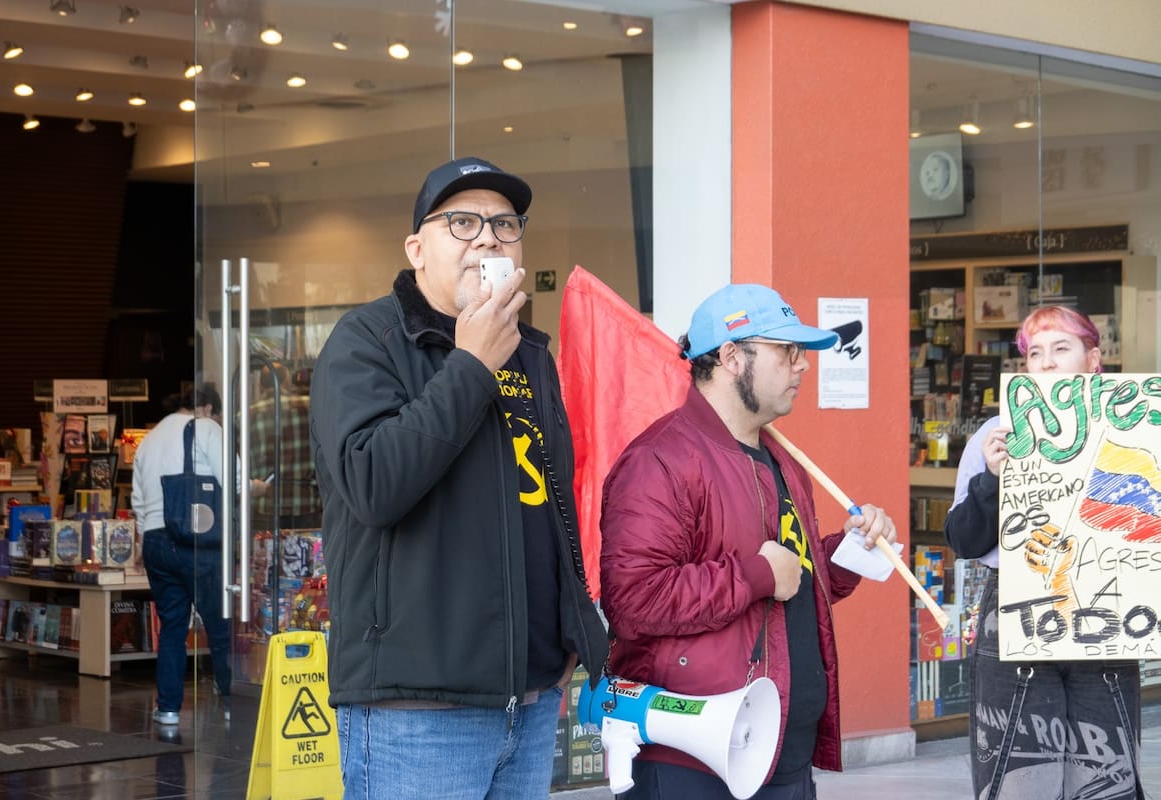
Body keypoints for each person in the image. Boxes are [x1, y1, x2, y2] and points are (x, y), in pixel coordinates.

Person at [309, 156, 609, 800]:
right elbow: (374, 484)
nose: (488, 238)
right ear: (417, 249)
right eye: (463, 222)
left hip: (527, 700)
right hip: (417, 709)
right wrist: (471, 363)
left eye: (505, 225)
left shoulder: (530, 353)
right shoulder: (367, 342)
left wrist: (572, 635)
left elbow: (551, 502)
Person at [599, 284, 898, 799]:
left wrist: (848, 553)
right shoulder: (659, 460)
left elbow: (792, 579)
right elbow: (632, 599)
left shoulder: (783, 460)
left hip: (782, 753)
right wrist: (755, 576)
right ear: (732, 357)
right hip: (693, 760)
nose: (802, 366)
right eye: (787, 351)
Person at [943, 305, 1144, 800]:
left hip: (1105, 610)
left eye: (1061, 349)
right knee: (1017, 771)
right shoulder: (996, 434)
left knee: (1107, 776)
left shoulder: (1132, 433)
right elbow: (963, 541)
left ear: (1092, 359)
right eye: (1035, 353)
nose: (1048, 363)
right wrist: (992, 478)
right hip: (1015, 613)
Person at [132, 386, 250, 726]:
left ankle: (168, 708)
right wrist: (258, 488)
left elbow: (139, 501)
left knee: (171, 626)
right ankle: (230, 700)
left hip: (156, 541)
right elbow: (236, 483)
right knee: (219, 624)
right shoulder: (207, 428)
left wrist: (142, 543)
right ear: (208, 407)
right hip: (197, 539)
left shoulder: (149, 438)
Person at [249, 362, 321, 530]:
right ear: (287, 381)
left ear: (260, 384)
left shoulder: (246, 415)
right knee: (306, 554)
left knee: (266, 554)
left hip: (265, 503)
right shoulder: (310, 407)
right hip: (307, 501)